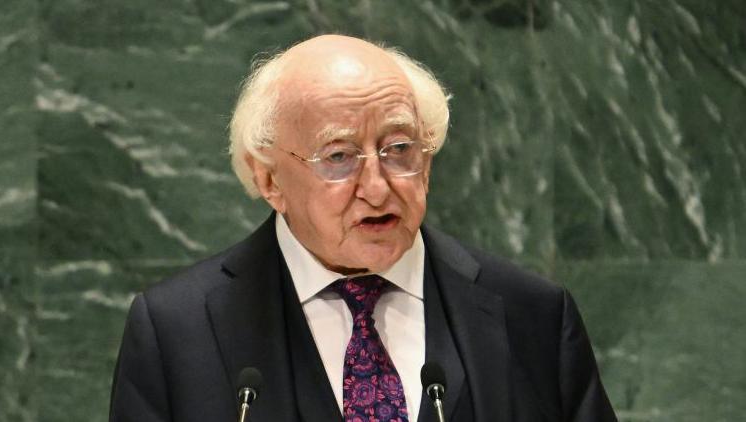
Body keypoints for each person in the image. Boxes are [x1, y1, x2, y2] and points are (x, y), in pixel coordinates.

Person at [109, 35, 617, 422]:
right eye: (338, 157)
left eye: (400, 149)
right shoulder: (177, 330)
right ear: (269, 179)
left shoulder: (534, 317)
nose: (377, 187)